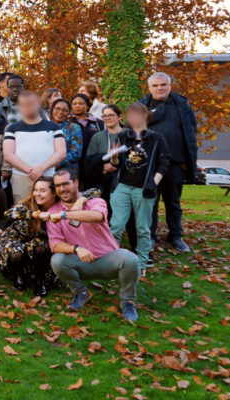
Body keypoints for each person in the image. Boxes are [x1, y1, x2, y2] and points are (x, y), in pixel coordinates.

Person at [48, 169, 140, 322]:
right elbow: (55, 244)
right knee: (57, 260)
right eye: (57, 186)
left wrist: (65, 214)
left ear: (76, 183)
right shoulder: (54, 211)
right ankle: (81, 292)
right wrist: (77, 249)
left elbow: (97, 216)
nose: (62, 189)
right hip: (81, 262)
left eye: (65, 184)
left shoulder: (95, 202)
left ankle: (128, 301)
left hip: (108, 259)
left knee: (131, 259)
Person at [107, 102, 169, 275]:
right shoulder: (122, 137)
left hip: (144, 189)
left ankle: (141, 265)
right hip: (122, 187)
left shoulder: (157, 139)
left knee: (142, 228)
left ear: (145, 115)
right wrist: (113, 157)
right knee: (116, 226)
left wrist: (153, 183)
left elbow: (164, 163)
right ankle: (111, 263)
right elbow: (116, 164)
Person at [139, 72, 195, 253]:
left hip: (175, 163)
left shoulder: (182, 106)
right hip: (150, 165)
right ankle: (150, 237)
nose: (160, 88)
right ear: (149, 88)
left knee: (173, 202)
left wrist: (187, 160)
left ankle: (176, 237)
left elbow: (191, 133)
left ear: (170, 86)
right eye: (155, 85)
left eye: (163, 84)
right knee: (150, 202)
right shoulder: (141, 107)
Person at [0, 176, 61, 296]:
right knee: (15, 253)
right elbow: (8, 213)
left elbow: (94, 192)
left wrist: (81, 201)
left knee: (39, 246)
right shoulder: (28, 204)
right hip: (15, 238)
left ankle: (40, 281)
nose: (37, 194)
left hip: (38, 243)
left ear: (53, 192)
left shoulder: (59, 208)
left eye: (42, 191)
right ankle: (19, 275)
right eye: (35, 190)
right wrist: (35, 214)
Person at [3, 91, 66, 201]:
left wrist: (42, 168)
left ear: (38, 104)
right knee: (22, 209)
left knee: (49, 210)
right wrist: (30, 171)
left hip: (48, 176)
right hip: (21, 177)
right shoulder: (12, 128)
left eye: (31, 103)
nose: (27, 107)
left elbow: (61, 153)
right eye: (24, 104)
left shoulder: (54, 127)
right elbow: (8, 154)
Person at [81, 104, 124, 203]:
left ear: (120, 117)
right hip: (102, 182)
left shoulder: (128, 135)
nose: (107, 118)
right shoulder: (97, 137)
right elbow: (89, 160)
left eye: (111, 115)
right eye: (104, 116)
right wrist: (102, 168)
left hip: (124, 181)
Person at [49, 99, 83, 175]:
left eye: (64, 110)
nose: (60, 112)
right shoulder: (44, 126)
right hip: (45, 168)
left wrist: (56, 164)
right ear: (52, 109)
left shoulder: (74, 127)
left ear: (69, 113)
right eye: (57, 108)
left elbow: (76, 152)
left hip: (67, 170)